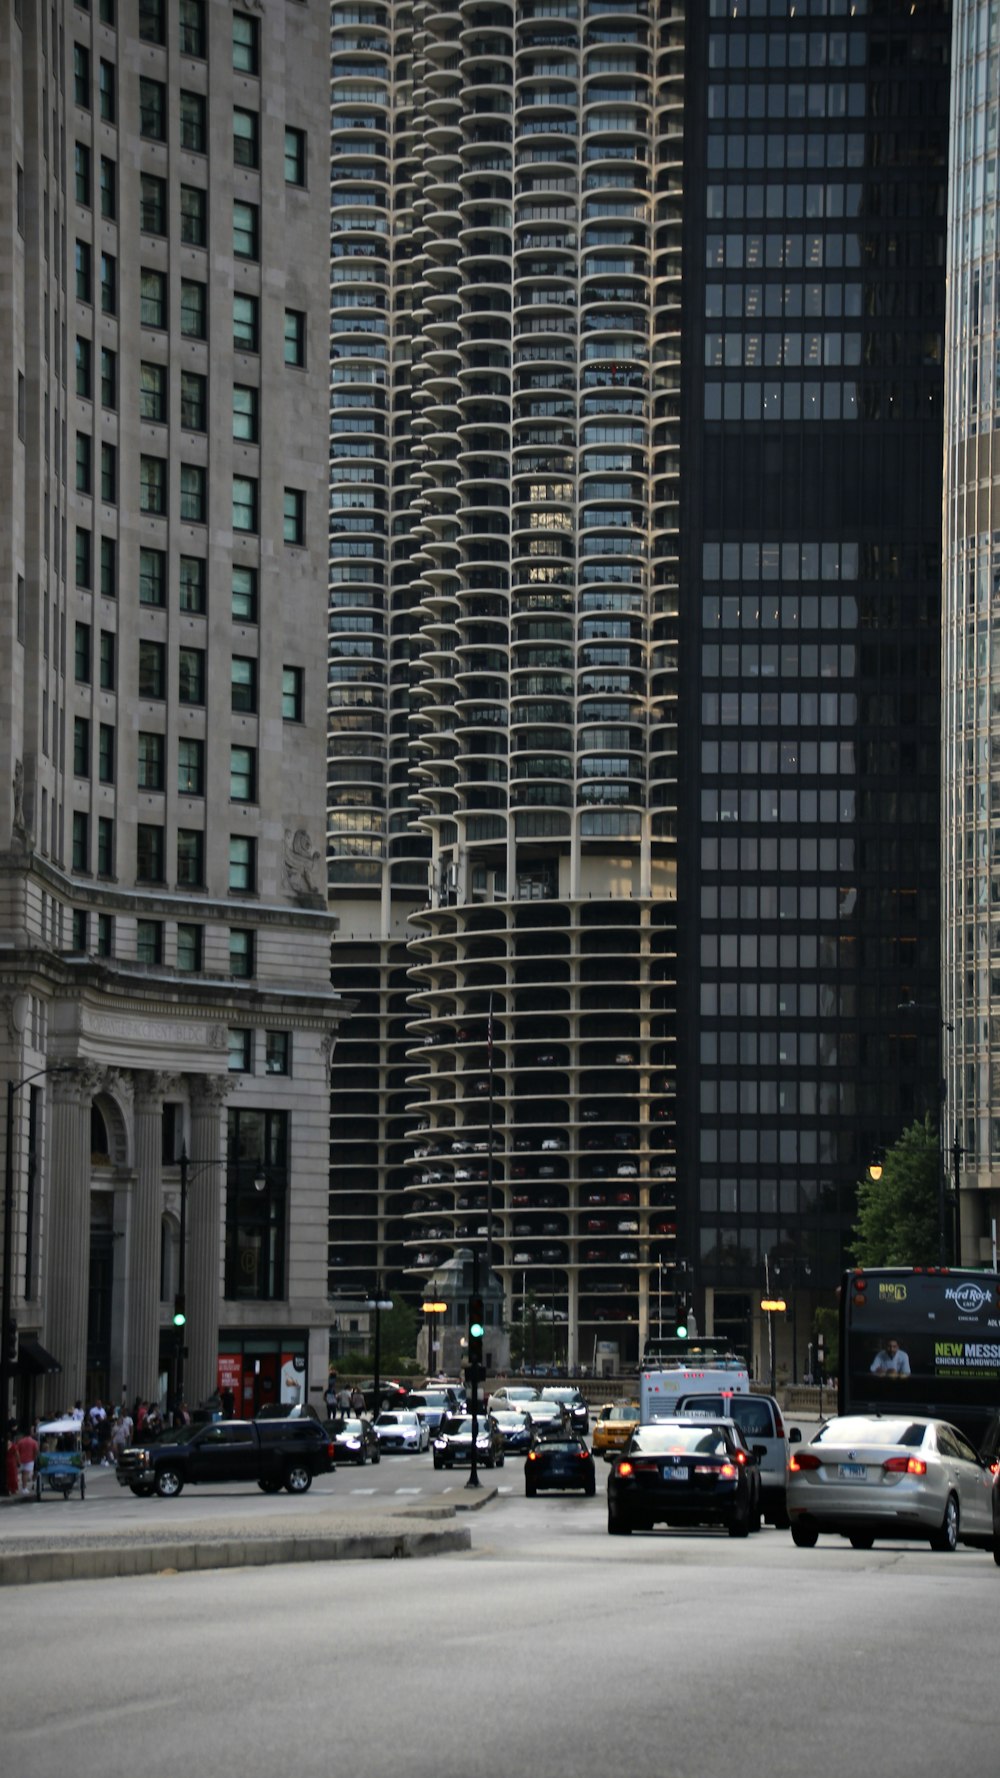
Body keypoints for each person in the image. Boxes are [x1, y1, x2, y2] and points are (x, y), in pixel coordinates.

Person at [15, 1426, 39, 1496]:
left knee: (21, 1474)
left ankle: (20, 1487)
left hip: (21, 1459)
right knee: (26, 1474)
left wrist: (18, 1459)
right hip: (30, 1459)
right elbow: (36, 1451)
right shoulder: (34, 1442)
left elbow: (17, 1451)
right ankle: (24, 1488)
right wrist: (34, 1457)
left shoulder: (20, 1441)